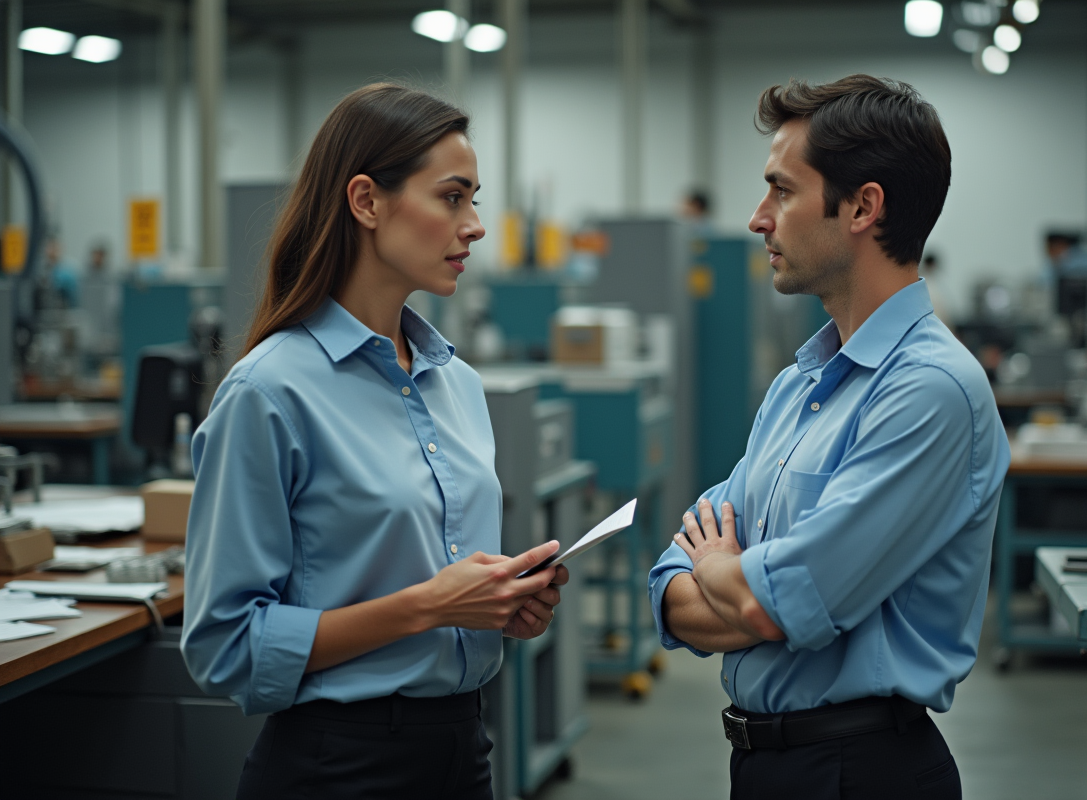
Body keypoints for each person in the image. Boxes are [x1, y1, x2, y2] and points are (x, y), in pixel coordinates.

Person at [182, 83, 568, 800]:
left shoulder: (459, 386)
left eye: (475, 199)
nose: (476, 225)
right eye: (452, 198)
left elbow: (442, 581)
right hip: (339, 764)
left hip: (461, 748)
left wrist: (498, 604)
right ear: (366, 201)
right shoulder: (269, 393)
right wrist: (431, 606)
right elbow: (226, 645)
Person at [648, 75, 1009, 800]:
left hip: (860, 771)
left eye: (781, 191)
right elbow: (668, 589)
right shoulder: (799, 386)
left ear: (862, 208)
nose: (758, 219)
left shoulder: (929, 393)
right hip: (766, 765)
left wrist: (726, 575)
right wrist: (741, 586)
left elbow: (776, 603)